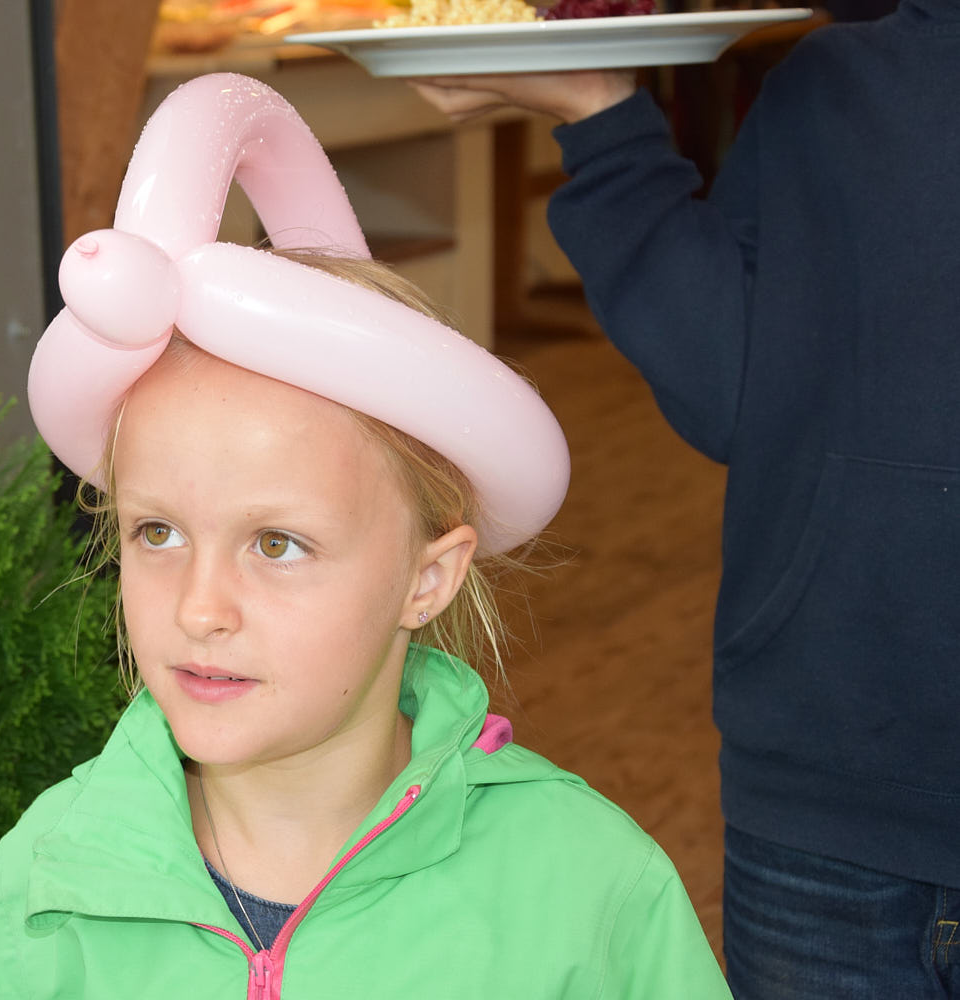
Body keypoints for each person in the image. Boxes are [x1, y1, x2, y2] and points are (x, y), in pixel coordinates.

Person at [0, 73, 730, 998]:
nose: (199, 609)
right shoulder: (45, 891)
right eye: (158, 532)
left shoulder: (588, 896)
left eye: (276, 544)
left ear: (427, 579)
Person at [411, 1, 960, 995]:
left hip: (827, 776)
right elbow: (737, 384)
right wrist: (600, 115)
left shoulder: (837, 84)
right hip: (824, 793)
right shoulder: (833, 85)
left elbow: (728, 383)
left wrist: (604, 121)